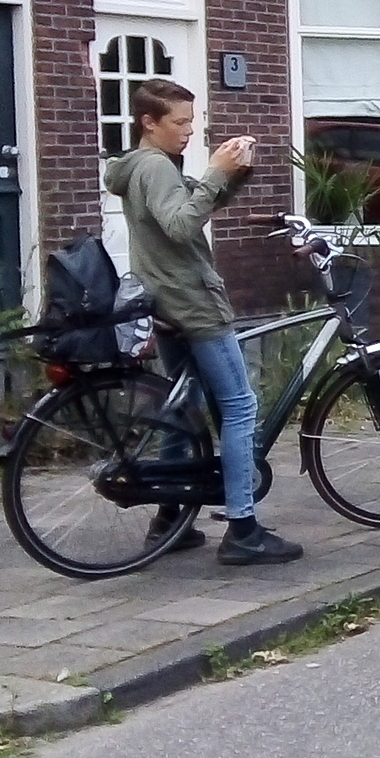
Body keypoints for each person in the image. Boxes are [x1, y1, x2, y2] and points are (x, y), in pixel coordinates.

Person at [104, 78, 304, 567]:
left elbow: (195, 206)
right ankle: (243, 529)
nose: (189, 131)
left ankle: (170, 518)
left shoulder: (151, 166)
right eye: (179, 122)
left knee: (184, 410)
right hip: (192, 304)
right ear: (149, 123)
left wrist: (232, 175)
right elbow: (180, 225)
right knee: (238, 406)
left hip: (168, 303)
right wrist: (216, 171)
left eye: (192, 122)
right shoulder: (153, 167)